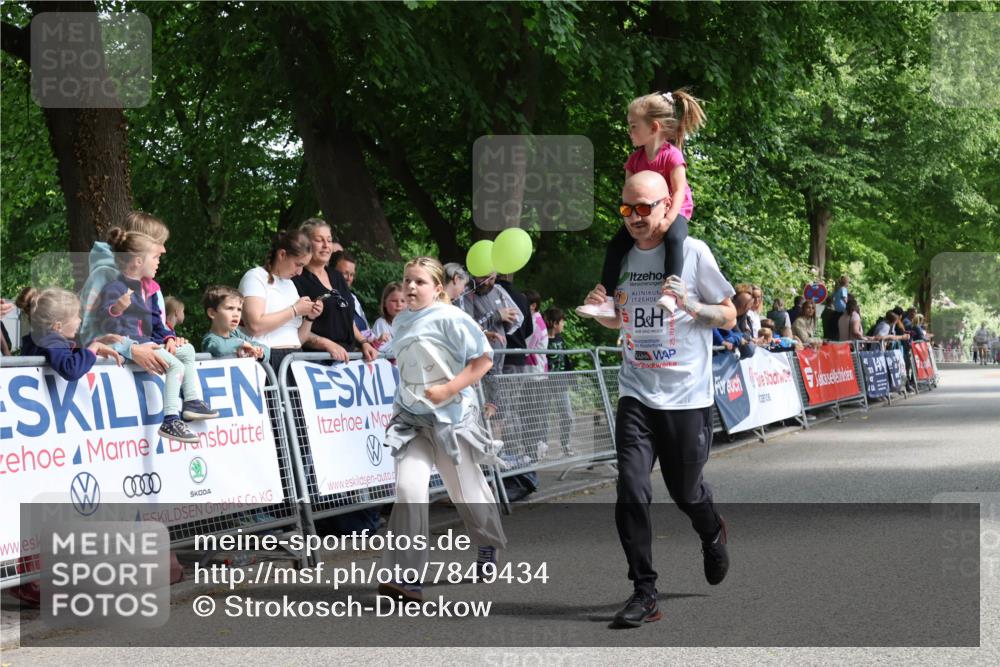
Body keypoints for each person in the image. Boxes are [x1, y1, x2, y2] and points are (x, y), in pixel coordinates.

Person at [581, 171, 735, 628]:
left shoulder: (692, 253)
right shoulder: (622, 257)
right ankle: (644, 591)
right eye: (627, 209)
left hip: (687, 396)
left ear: (668, 205)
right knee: (631, 489)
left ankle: (711, 530)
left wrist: (690, 305)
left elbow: (728, 313)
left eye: (645, 208)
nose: (635, 218)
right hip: (637, 392)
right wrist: (603, 310)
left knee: (686, 491)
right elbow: (620, 319)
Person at [377, 257, 507, 602]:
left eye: (419, 281)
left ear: (437, 287)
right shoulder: (401, 320)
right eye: (407, 281)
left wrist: (449, 389)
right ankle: (407, 577)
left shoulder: (452, 317)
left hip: (451, 419)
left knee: (465, 492)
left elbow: (484, 359)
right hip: (411, 420)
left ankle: (487, 545)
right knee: (408, 490)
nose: (410, 287)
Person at [577, 89, 707, 319]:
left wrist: (668, 220)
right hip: (643, 213)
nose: (629, 131)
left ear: (654, 127)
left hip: (676, 210)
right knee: (616, 246)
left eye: (634, 126)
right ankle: (607, 299)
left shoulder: (672, 156)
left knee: (675, 238)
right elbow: (628, 195)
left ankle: (670, 292)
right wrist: (631, 219)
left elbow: (679, 192)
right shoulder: (634, 160)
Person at [97, 229, 219, 443]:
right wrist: (116, 309)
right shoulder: (114, 287)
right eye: (155, 257)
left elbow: (157, 322)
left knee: (187, 350)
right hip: (128, 345)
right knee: (176, 366)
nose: (158, 262)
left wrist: (168, 339)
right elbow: (104, 324)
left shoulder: (148, 289)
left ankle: (191, 402)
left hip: (149, 343)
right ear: (137, 261)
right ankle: (171, 419)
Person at [239, 229, 325, 374]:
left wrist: (310, 317)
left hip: (295, 359)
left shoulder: (290, 284)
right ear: (282, 254)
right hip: (267, 359)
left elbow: (297, 339)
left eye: (303, 266)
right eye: (298, 264)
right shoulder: (255, 277)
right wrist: (294, 310)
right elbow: (255, 325)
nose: (299, 272)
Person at [80, 211, 171, 346]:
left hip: (148, 361)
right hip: (114, 365)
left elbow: (156, 327)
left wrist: (170, 338)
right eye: (158, 242)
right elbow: (88, 336)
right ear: (137, 243)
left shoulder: (151, 286)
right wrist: (130, 349)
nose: (163, 249)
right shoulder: (102, 276)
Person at [292, 220, 376, 363]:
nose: (326, 245)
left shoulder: (337, 276)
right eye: (319, 240)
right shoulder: (296, 280)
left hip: (347, 358)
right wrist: (326, 343)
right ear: (306, 243)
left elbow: (346, 317)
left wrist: (363, 342)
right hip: (317, 361)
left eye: (329, 240)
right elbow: (295, 329)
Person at [19, 288, 123, 376]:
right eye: (76, 316)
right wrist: (95, 347)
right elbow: (71, 369)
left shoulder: (40, 339)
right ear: (58, 326)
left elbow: (66, 354)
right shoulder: (52, 342)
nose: (80, 320)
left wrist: (96, 343)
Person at [200, 285, 269, 363]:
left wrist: (259, 352)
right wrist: (242, 344)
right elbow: (220, 348)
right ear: (212, 313)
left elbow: (266, 349)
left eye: (239, 309)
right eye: (230, 308)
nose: (236, 314)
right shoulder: (210, 339)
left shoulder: (236, 334)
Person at [544, 307, 576, 457]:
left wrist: (572, 378)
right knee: (542, 416)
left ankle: (566, 444)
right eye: (562, 321)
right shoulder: (543, 340)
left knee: (567, 416)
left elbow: (567, 360)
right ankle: (541, 446)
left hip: (561, 383)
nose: (563, 324)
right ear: (554, 323)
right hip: (546, 384)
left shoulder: (561, 340)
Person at [371, 281, 405, 347]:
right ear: (384, 303)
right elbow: (380, 349)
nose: (399, 304)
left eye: (403, 301)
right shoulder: (381, 323)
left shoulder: (410, 324)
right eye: (394, 301)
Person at [523, 288, 549, 373]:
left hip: (534, 372)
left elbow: (525, 349)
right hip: (536, 370)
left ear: (533, 306)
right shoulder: (537, 321)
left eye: (523, 304)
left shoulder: (535, 324)